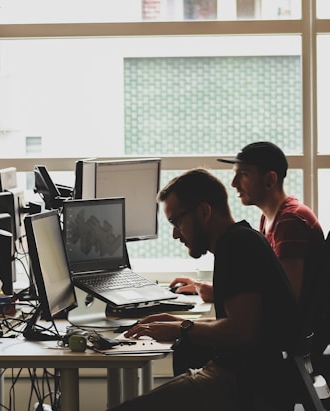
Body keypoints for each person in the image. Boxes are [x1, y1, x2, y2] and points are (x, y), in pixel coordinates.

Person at [110, 168, 301, 411]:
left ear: (203, 211)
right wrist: (176, 322)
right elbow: (239, 323)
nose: (175, 234)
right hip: (251, 380)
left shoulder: (237, 247)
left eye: (176, 221)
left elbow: (242, 331)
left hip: (244, 386)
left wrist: (183, 328)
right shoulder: (241, 240)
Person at [170, 142, 328, 371]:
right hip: (280, 341)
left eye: (243, 175)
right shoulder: (270, 219)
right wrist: (209, 290)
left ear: (270, 180)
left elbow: (288, 297)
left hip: (282, 351)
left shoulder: (289, 223)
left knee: (188, 346)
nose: (234, 183)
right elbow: (268, 289)